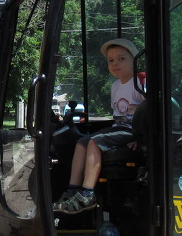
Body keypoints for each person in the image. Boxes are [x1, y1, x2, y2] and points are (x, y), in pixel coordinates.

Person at [54, 38, 145, 215]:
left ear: (134, 60)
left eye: (121, 59)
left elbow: (151, 112)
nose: (115, 64)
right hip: (118, 128)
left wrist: (140, 138)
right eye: (111, 60)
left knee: (94, 143)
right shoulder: (116, 86)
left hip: (131, 130)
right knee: (82, 143)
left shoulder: (139, 83)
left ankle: (87, 193)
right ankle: (73, 190)